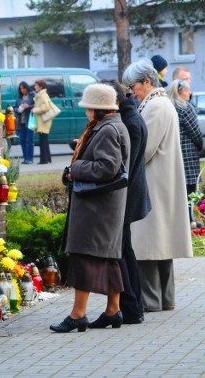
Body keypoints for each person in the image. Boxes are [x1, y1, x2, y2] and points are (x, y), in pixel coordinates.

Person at [50, 83, 130, 333]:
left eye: (87, 107)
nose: (85, 112)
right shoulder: (113, 125)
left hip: (97, 207)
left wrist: (76, 169)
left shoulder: (107, 129)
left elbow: (107, 167)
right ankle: (113, 310)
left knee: (83, 257)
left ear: (98, 108)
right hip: (105, 205)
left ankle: (78, 315)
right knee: (108, 258)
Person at [122, 59, 193, 313]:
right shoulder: (162, 103)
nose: (132, 92)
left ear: (147, 81)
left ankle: (150, 301)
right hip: (162, 182)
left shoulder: (155, 105)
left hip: (153, 182)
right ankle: (166, 299)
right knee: (162, 246)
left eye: (133, 86)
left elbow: (145, 148)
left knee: (149, 246)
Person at [102, 79, 152, 325]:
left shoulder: (129, 122)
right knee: (125, 250)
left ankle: (130, 307)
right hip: (130, 193)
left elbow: (124, 167)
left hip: (126, 196)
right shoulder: (131, 117)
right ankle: (134, 307)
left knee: (121, 251)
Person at [167, 79, 202, 203]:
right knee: (191, 195)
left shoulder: (169, 107)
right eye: (188, 90)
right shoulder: (185, 108)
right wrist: (201, 147)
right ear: (180, 93)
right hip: (189, 159)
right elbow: (196, 134)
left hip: (173, 156)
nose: (190, 93)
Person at [31, 79, 53, 164]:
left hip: (44, 121)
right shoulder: (41, 94)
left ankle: (44, 160)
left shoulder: (43, 95)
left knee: (42, 141)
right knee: (44, 140)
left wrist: (35, 109)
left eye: (36, 85)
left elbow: (46, 107)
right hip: (43, 121)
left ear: (41, 86)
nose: (35, 87)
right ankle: (47, 159)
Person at [15, 81, 35, 164]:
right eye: (21, 89)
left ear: (27, 88)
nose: (22, 90)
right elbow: (14, 108)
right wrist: (18, 110)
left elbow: (37, 106)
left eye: (23, 88)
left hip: (29, 121)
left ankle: (30, 158)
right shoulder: (20, 98)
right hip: (21, 122)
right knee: (22, 140)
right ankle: (25, 158)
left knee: (29, 140)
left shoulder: (32, 95)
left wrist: (29, 106)